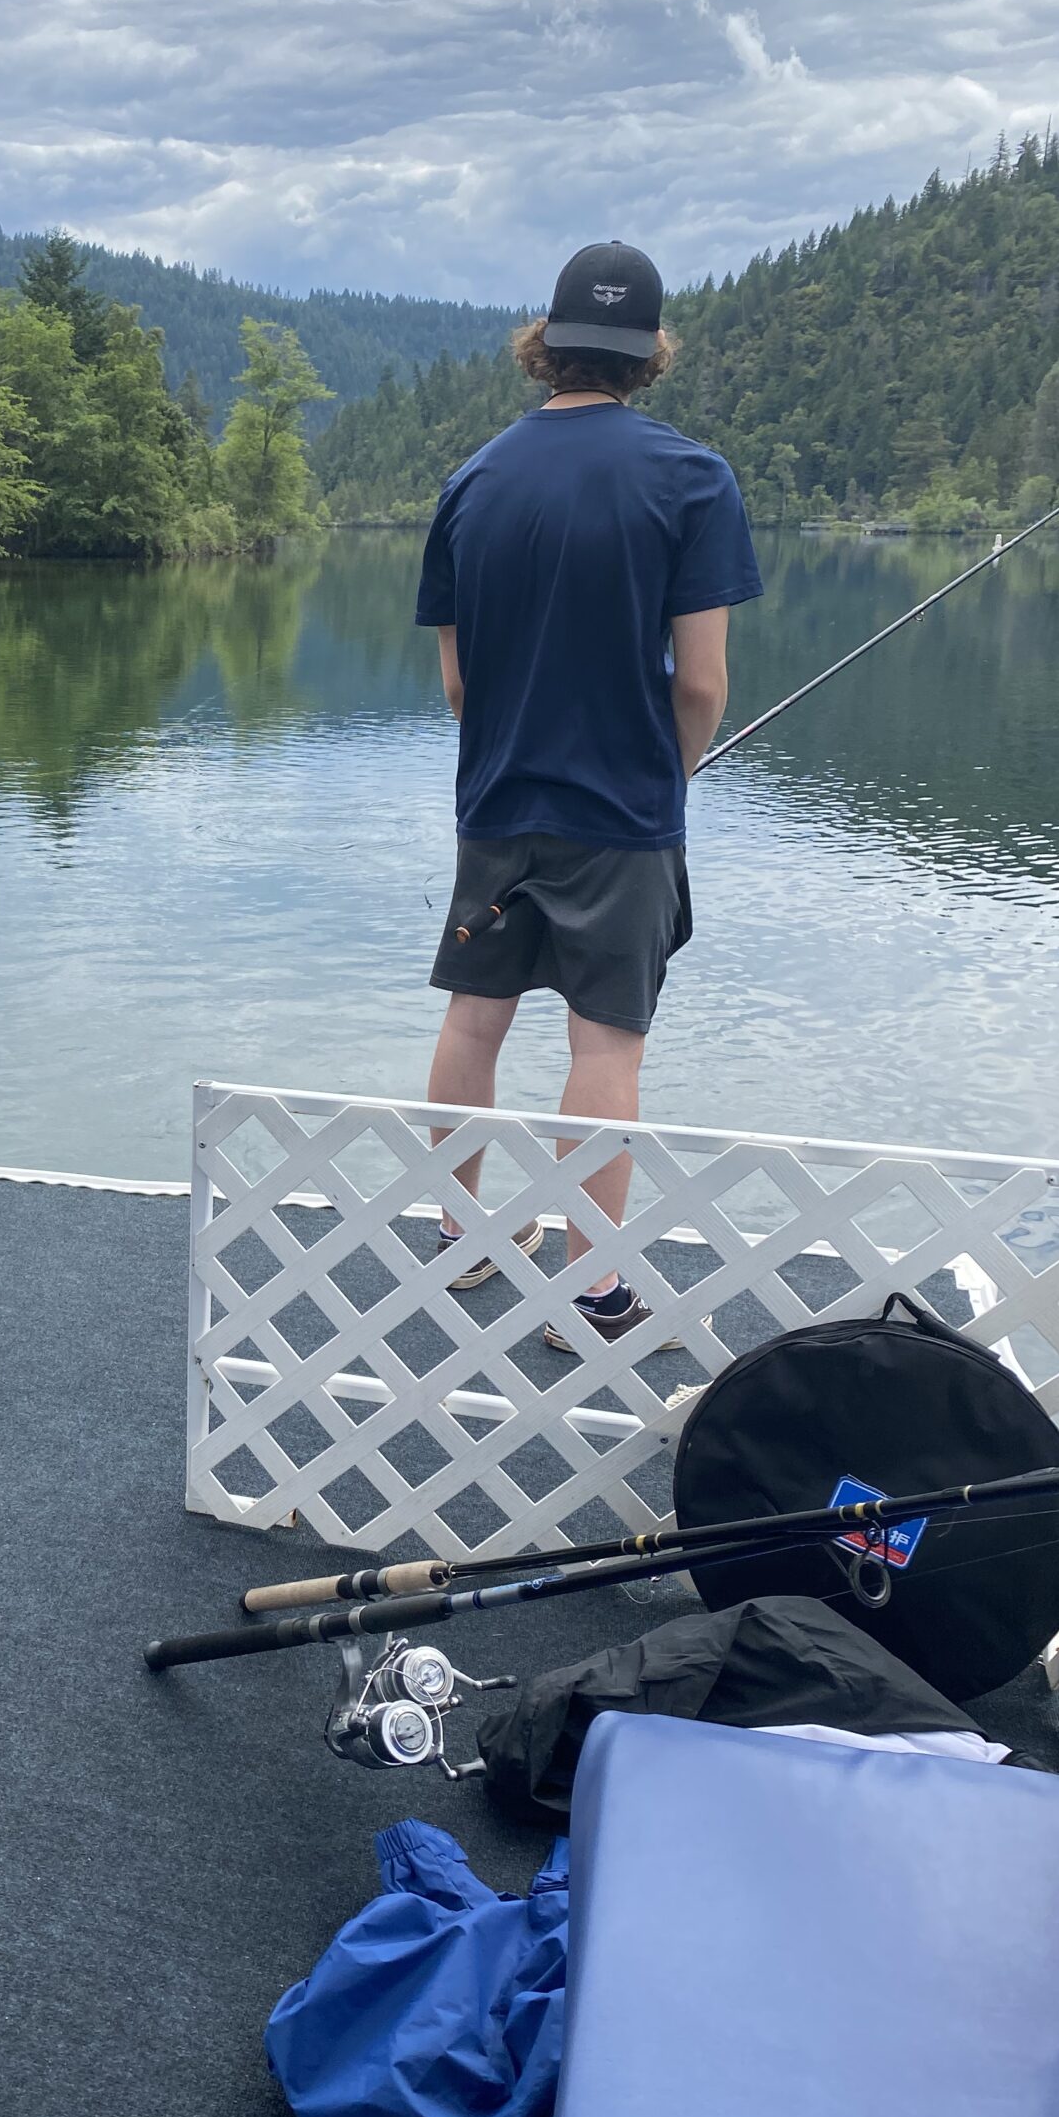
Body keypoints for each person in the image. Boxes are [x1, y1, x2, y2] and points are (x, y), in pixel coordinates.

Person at [415, 240, 760, 1349]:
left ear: (547, 343)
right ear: (650, 351)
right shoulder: (692, 479)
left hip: (498, 805)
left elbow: (459, 680)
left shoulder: (471, 481)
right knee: (605, 1047)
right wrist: (675, 767)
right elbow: (701, 682)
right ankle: (591, 1292)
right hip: (622, 816)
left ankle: (463, 1238)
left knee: (474, 1020)